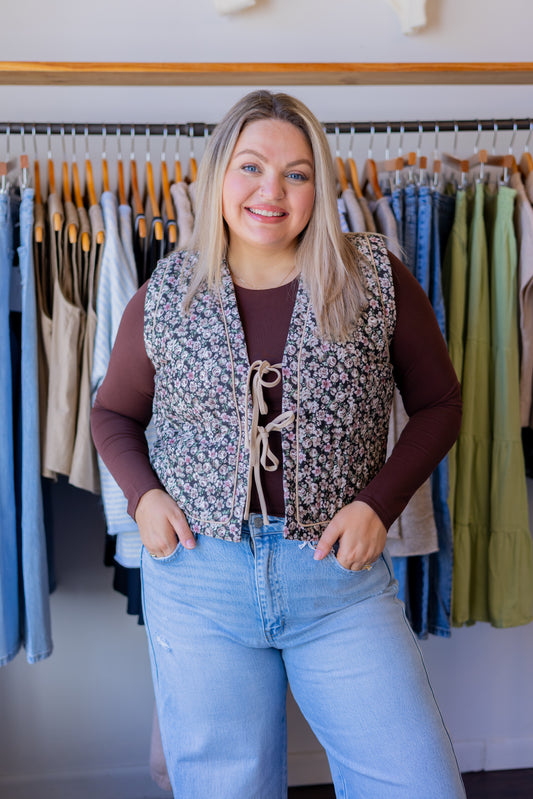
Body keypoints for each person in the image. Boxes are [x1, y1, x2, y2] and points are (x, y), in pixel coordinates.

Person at [91, 90, 466, 799]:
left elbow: (440, 404)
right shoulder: (167, 291)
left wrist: (379, 504)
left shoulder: (372, 276)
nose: (272, 191)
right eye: (251, 167)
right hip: (199, 582)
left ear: (318, 185)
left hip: (338, 587)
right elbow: (110, 412)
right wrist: (143, 498)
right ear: (217, 176)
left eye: (296, 173)